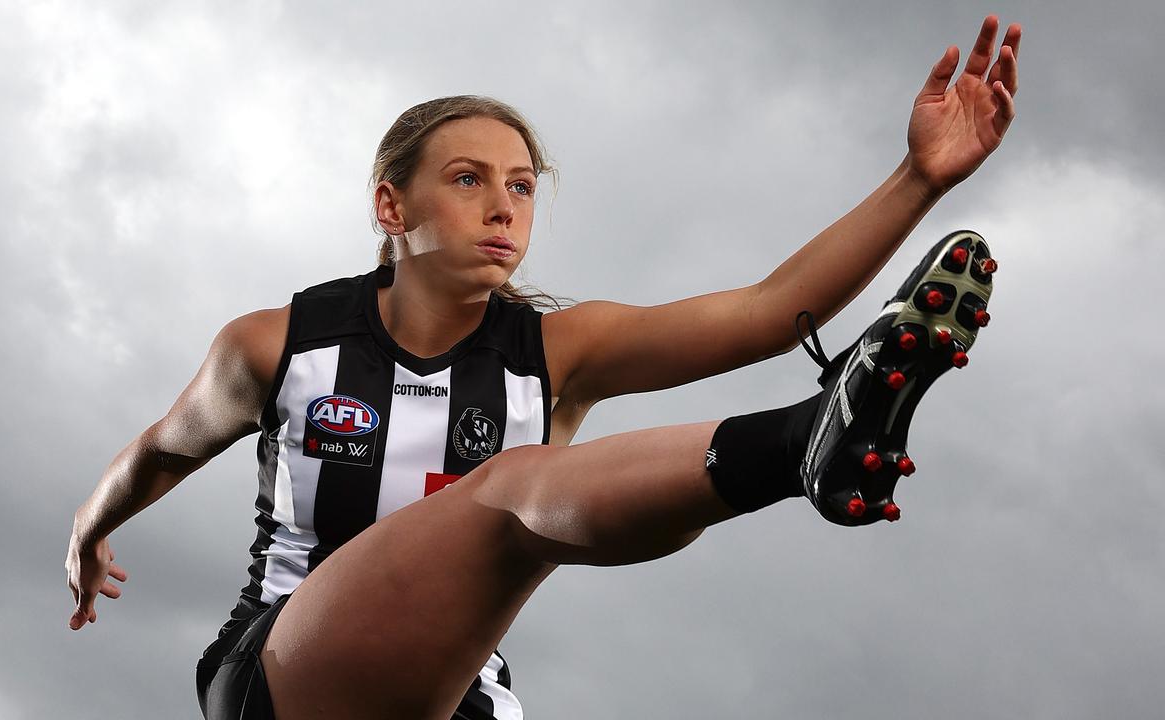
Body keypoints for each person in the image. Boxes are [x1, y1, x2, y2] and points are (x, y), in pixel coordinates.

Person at [65, 15, 1021, 720]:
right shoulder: (277, 345)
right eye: (469, 179)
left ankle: (804, 443)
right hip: (289, 673)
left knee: (546, 498)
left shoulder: (560, 352)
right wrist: (89, 531)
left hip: (464, 701)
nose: (503, 207)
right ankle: (801, 443)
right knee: (511, 490)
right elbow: (159, 452)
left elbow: (770, 313)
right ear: (392, 207)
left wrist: (919, 179)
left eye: (521, 186)